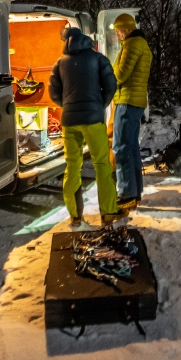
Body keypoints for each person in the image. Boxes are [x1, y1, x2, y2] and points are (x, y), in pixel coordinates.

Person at [49, 26, 123, 228]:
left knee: (72, 167)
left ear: (67, 41)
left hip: (70, 122)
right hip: (93, 120)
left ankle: (75, 215)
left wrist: (68, 106)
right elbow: (111, 84)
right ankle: (107, 213)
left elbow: (53, 92)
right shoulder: (97, 59)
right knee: (102, 166)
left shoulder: (60, 63)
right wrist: (100, 105)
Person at [110, 13, 153, 211]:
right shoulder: (141, 44)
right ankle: (135, 193)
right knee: (131, 147)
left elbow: (120, 75)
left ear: (126, 29)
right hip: (135, 102)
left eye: (118, 31)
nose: (117, 35)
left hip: (126, 101)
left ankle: (126, 194)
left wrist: (108, 73)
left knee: (121, 147)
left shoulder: (132, 45)